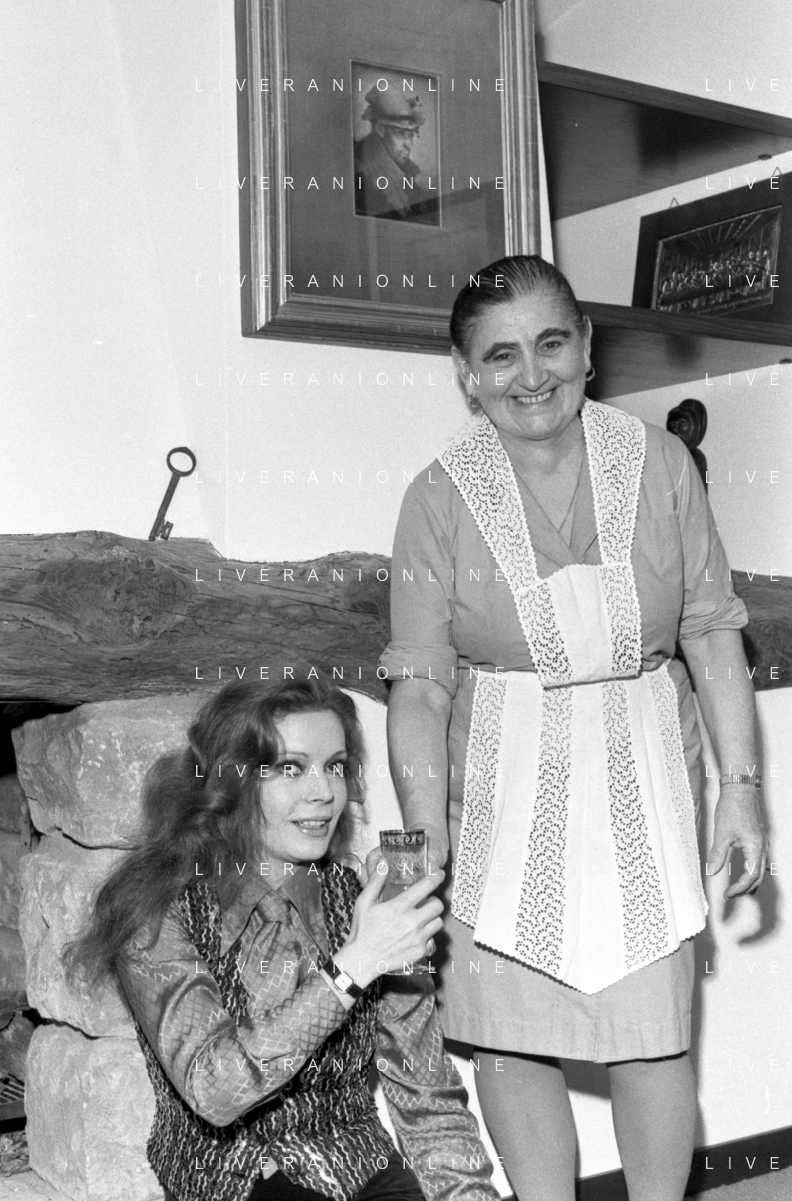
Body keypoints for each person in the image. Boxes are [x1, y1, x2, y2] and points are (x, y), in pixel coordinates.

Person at [379, 255, 768, 1201]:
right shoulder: (436, 496)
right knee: (510, 1037)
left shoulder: (662, 464)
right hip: (498, 789)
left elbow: (711, 629)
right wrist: (419, 837)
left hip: (645, 774)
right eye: (500, 355)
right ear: (467, 375)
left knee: (651, 1035)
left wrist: (741, 790)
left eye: (551, 342)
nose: (532, 374)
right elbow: (420, 684)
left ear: (587, 347)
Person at [65, 677, 500, 1201]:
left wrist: (469, 1194)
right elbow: (214, 1088)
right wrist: (354, 966)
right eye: (291, 768)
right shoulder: (158, 912)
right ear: (232, 782)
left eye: (335, 766)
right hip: (234, 1177)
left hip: (358, 1166)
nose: (324, 792)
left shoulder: (366, 902)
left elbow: (428, 1098)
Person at [354, 87, 438, 224]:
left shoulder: (409, 168)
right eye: (400, 134)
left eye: (410, 135)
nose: (408, 144)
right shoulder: (361, 168)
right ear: (380, 130)